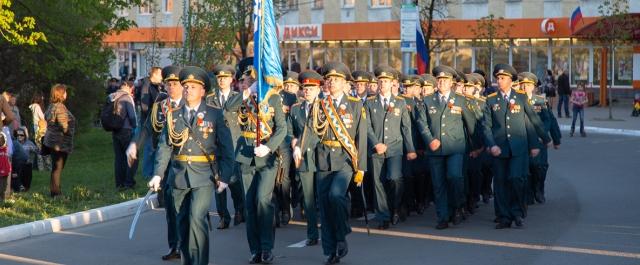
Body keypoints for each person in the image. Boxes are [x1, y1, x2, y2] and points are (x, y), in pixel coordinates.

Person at [149, 66, 234, 265]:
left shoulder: (215, 115)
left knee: (197, 217)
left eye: (193, 87)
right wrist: (157, 174)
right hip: (178, 177)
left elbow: (227, 150)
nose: (188, 90)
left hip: (204, 176)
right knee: (183, 223)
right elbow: (165, 147)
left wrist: (225, 177)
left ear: (203, 91)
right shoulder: (173, 115)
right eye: (185, 87)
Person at [298, 61, 367, 264]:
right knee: (325, 205)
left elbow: (360, 138)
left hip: (345, 160)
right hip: (323, 158)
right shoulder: (320, 105)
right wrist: (298, 148)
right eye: (330, 79)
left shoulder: (355, 105)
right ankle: (330, 250)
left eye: (337, 79)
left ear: (345, 83)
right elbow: (310, 131)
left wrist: (360, 167)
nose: (332, 82)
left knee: (336, 196)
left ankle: (343, 232)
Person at [225, 67, 287, 264]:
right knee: (250, 205)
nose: (249, 81)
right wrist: (247, 92)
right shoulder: (243, 97)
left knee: (262, 200)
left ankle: (267, 247)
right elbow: (228, 108)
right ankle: (255, 250)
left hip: (267, 158)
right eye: (247, 80)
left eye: (252, 79)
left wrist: (269, 147)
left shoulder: (274, 98)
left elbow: (282, 128)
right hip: (246, 156)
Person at [482, 64, 550, 229]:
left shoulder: (520, 97)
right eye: (498, 78)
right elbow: (486, 126)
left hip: (518, 148)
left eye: (503, 78)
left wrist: (539, 142)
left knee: (516, 180)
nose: (499, 81)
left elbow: (531, 120)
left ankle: (518, 212)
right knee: (500, 183)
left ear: (511, 81)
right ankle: (504, 216)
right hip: (500, 149)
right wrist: (491, 145)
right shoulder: (491, 99)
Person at [127, 65, 182, 260]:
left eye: (175, 83)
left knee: (184, 205)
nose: (171, 87)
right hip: (165, 161)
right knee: (169, 203)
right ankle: (174, 246)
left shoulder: (189, 105)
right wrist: (135, 145)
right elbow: (147, 128)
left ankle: (188, 243)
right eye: (168, 83)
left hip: (187, 161)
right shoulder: (160, 106)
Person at [415, 65, 477, 230]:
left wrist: (476, 146)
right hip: (435, 149)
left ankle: (458, 205)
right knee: (438, 184)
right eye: (439, 80)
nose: (442, 83)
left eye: (445, 80)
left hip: (455, 147)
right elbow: (421, 123)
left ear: (451, 83)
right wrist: (429, 140)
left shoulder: (461, 100)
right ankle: (443, 216)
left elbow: (471, 124)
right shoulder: (427, 100)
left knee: (455, 177)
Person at [366, 66, 415, 229]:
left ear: (392, 83)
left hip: (395, 147)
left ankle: (395, 206)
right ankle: (383, 216)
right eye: (380, 81)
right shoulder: (370, 102)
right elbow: (367, 126)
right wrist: (375, 143)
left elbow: (406, 127)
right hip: (376, 149)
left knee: (394, 178)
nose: (382, 84)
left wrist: (411, 149)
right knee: (378, 182)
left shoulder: (400, 102)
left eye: (386, 81)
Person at [206, 64, 246, 229]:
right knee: (218, 179)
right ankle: (223, 216)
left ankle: (239, 209)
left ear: (232, 79)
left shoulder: (238, 97)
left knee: (234, 180)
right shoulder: (209, 99)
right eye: (219, 78)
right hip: (215, 145)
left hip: (234, 143)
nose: (222, 80)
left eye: (225, 78)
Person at [289, 70, 323, 246]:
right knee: (308, 198)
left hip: (322, 156)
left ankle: (328, 226)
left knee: (324, 196)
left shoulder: (325, 106)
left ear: (318, 89)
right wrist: (293, 141)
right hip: (303, 158)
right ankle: (312, 233)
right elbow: (289, 130)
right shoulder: (296, 109)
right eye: (305, 88)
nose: (307, 91)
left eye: (311, 87)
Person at [517, 72, 561, 204]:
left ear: (534, 87)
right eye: (523, 85)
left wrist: (545, 136)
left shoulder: (540, 101)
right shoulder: (516, 100)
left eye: (528, 85)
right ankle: (529, 193)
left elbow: (548, 121)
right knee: (527, 167)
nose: (525, 88)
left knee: (539, 167)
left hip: (539, 139)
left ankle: (539, 188)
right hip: (524, 139)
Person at [43, 84, 76, 198]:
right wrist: (68, 131)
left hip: (52, 141)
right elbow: (64, 125)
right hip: (60, 142)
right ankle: (56, 193)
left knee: (55, 168)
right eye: (65, 92)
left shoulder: (52, 105)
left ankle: (54, 191)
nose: (67, 94)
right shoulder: (60, 107)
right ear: (61, 94)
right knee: (57, 168)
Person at [109, 80, 138, 189]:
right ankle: (129, 183)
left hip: (115, 130)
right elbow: (132, 116)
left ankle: (119, 183)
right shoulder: (126, 97)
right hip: (126, 130)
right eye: (130, 87)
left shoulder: (112, 97)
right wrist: (135, 126)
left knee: (119, 158)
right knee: (132, 157)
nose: (131, 89)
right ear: (125, 86)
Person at [12, 127, 36, 192]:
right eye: (18, 135)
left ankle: (24, 186)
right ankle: (20, 185)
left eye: (21, 135)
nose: (19, 136)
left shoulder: (29, 143)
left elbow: (37, 151)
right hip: (17, 164)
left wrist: (31, 159)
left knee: (26, 167)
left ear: (25, 136)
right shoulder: (14, 144)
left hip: (27, 164)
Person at [29, 93, 49, 171]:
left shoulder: (32, 106)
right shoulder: (37, 106)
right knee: (41, 147)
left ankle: (41, 167)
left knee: (39, 146)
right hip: (40, 127)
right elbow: (42, 117)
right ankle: (44, 167)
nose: (43, 98)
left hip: (35, 127)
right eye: (42, 97)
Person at [0, 131, 11, 202]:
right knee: (0, 187)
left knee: (4, 186)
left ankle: (3, 199)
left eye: (2, 140)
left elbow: (8, 159)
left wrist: (9, 169)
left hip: (6, 172)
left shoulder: (6, 149)